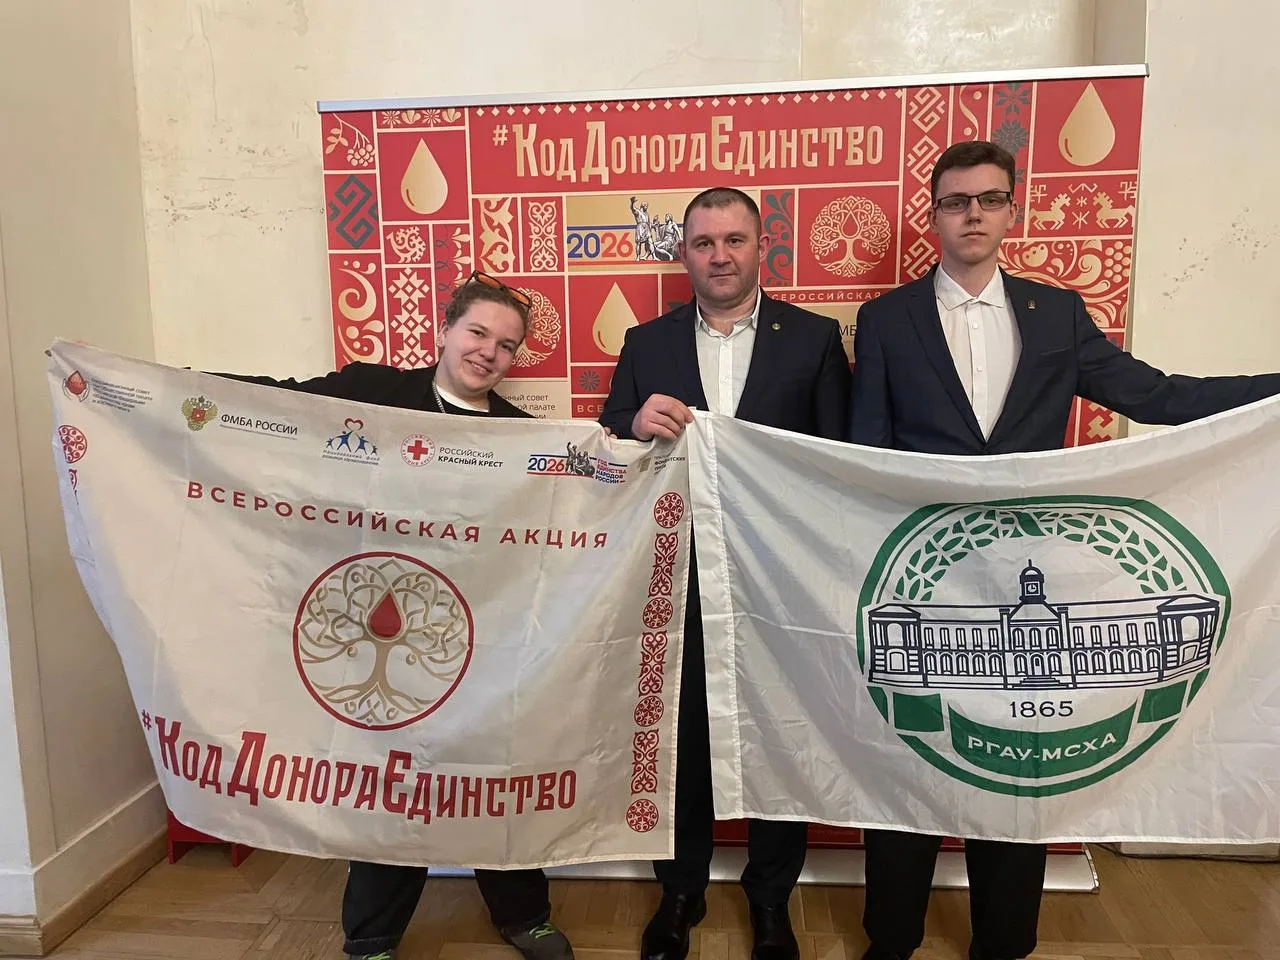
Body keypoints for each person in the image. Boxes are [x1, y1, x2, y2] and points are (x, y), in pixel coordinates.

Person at [847, 140, 1280, 960]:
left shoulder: (1058, 312)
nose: (972, 214)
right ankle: (890, 940)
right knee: (907, 758)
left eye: (988, 199)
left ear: (1012, 210)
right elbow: (866, 449)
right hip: (925, 578)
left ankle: (1005, 942)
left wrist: (1275, 391)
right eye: (955, 201)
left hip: (1025, 571)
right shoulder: (886, 320)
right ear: (933, 215)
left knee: (1020, 767)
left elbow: (1156, 395)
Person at [224, 272, 574, 960]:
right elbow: (274, 406)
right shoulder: (372, 392)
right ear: (445, 330)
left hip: (480, 635)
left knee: (491, 772)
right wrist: (167, 386)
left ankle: (523, 914)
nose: (488, 352)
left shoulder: (524, 437)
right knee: (389, 782)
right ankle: (372, 935)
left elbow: (584, 503)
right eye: (478, 332)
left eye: (506, 346)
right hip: (375, 626)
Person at [601, 186, 851, 960]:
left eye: (734, 240)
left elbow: (840, 457)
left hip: (782, 575)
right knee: (683, 739)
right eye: (704, 243)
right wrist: (631, 422)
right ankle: (680, 891)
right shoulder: (646, 343)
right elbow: (608, 439)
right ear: (683, 253)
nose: (719, 256)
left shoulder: (813, 339)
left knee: (781, 734)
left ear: (760, 246)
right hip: (678, 573)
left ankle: (771, 900)